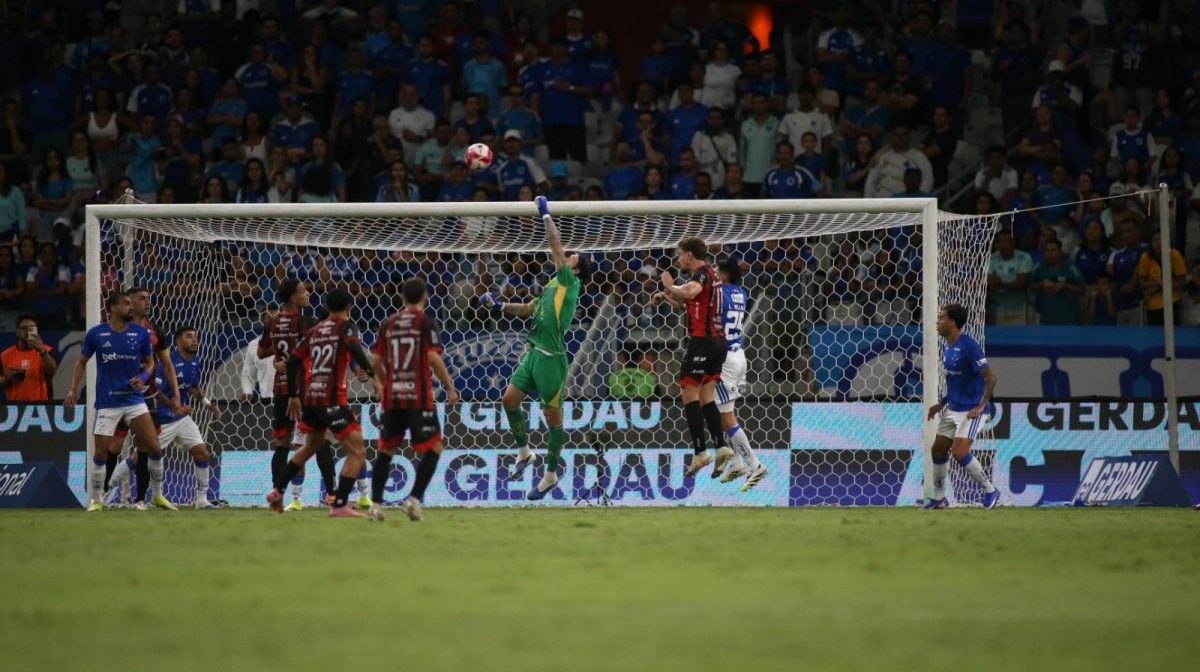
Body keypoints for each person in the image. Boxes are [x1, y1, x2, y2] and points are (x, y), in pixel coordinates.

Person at [479, 197, 590, 500]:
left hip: (552, 360)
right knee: (509, 400)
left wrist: (546, 216)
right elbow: (528, 309)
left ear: (576, 271)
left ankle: (551, 475)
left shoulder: (569, 283)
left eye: (573, 258)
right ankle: (525, 453)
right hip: (533, 354)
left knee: (553, 419)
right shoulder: (552, 286)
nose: (567, 258)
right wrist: (500, 305)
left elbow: (555, 246)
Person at [266, 288, 377, 517]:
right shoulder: (346, 326)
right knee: (358, 452)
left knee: (310, 446)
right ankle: (340, 504)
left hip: (310, 397)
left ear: (326, 308)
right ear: (349, 308)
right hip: (332, 398)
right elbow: (355, 348)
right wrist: (372, 373)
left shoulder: (315, 330)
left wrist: (295, 395)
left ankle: (277, 491)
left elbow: (294, 362)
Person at [64, 291, 169, 512]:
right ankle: (97, 500)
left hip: (134, 401)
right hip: (108, 402)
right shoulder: (96, 334)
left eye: (132, 304)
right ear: (112, 308)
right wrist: (73, 388)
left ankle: (157, 496)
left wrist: (142, 378)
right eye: (125, 304)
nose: (131, 307)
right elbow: (81, 362)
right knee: (101, 453)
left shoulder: (140, 334)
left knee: (154, 448)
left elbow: (151, 362)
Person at [369, 277, 458, 522]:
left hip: (393, 396)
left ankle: (376, 505)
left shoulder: (388, 323)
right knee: (435, 447)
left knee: (386, 450)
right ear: (426, 296)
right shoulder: (425, 322)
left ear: (402, 298)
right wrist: (449, 387)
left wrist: (385, 384)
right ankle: (414, 500)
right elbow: (433, 357)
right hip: (418, 395)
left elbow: (375, 362)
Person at [110, 326, 221, 509]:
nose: (194, 340)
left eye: (195, 337)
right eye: (189, 336)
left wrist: (207, 404)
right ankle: (106, 491)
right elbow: (157, 391)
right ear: (178, 342)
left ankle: (201, 499)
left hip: (182, 419)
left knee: (202, 453)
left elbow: (193, 387)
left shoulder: (195, 361)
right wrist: (174, 406)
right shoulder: (165, 364)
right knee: (138, 458)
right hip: (163, 419)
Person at [651, 237, 731, 477]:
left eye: (679, 254)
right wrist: (667, 295)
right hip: (718, 343)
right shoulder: (712, 275)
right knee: (707, 395)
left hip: (703, 342)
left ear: (689, 255)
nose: (677, 259)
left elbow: (689, 291)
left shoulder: (703, 274)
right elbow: (688, 303)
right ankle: (721, 446)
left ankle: (700, 452)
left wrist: (670, 284)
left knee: (688, 391)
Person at [257, 279, 338, 510]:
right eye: (303, 290)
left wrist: (279, 355)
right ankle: (332, 497)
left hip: (281, 388)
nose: (308, 292)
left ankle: (277, 495)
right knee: (319, 441)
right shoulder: (305, 322)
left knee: (282, 445)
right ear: (293, 298)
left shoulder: (272, 322)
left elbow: (262, 351)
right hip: (304, 389)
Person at [923, 304, 1001, 509]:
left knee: (959, 452)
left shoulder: (969, 345)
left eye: (941, 318)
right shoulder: (948, 346)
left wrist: (981, 405)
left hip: (972, 411)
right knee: (938, 451)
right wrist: (941, 404)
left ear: (952, 322)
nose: (937, 322)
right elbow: (958, 381)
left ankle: (990, 491)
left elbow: (991, 377)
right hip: (952, 409)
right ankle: (939, 499)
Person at [712, 258, 766, 491]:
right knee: (719, 412)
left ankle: (753, 465)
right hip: (737, 354)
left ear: (723, 276)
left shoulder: (719, 292)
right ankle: (736, 462)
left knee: (721, 415)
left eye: (716, 272)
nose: (712, 275)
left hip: (726, 359)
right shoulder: (740, 293)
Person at [1, 314, 56, 402]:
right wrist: (7, 378)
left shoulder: (47, 350)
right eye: (24, 328)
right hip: (14, 408)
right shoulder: (5, 355)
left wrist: (42, 351)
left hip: (41, 406)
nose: (28, 332)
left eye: (32, 329)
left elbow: (51, 372)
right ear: (17, 331)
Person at [1137, 231, 1187, 326]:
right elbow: (1142, 283)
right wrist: (1158, 284)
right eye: (1155, 240)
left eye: (1162, 240)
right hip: (1153, 305)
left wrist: (1160, 287)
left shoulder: (1175, 255)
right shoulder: (1145, 257)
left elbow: (1182, 283)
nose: (1158, 243)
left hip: (1173, 302)